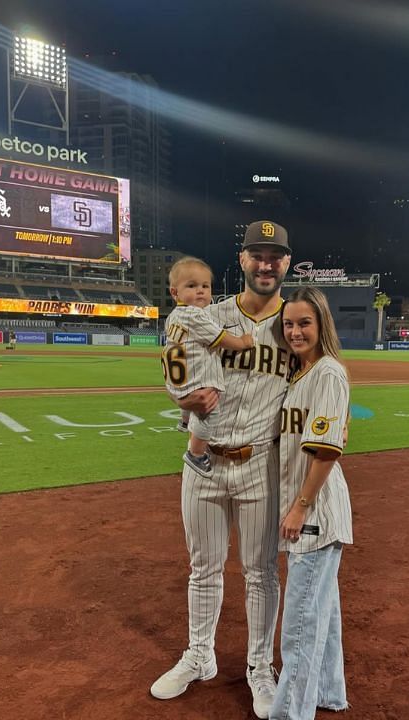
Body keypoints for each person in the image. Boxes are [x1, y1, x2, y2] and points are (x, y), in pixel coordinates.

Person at [150, 221, 295, 719]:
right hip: (204, 462)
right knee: (204, 569)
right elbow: (171, 358)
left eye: (275, 255)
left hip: (261, 464)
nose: (266, 263)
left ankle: (259, 666)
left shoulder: (295, 324)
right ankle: (200, 656)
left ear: (286, 264)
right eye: (258, 254)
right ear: (243, 260)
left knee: (260, 574)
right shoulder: (206, 313)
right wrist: (180, 397)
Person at [269, 287, 352, 720]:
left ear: (321, 325)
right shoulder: (301, 373)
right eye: (289, 324)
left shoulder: (327, 373)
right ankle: (327, 692)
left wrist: (300, 506)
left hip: (316, 512)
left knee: (300, 622)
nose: (295, 331)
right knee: (322, 612)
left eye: (304, 323)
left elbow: (326, 451)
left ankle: (290, 714)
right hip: (313, 509)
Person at [162, 257, 255, 477]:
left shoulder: (173, 316)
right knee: (209, 413)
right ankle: (195, 454)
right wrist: (242, 342)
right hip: (198, 378)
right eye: (192, 286)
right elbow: (220, 338)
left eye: (205, 286)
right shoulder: (195, 314)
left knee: (189, 403)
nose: (201, 291)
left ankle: (184, 421)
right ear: (175, 293)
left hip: (179, 378)